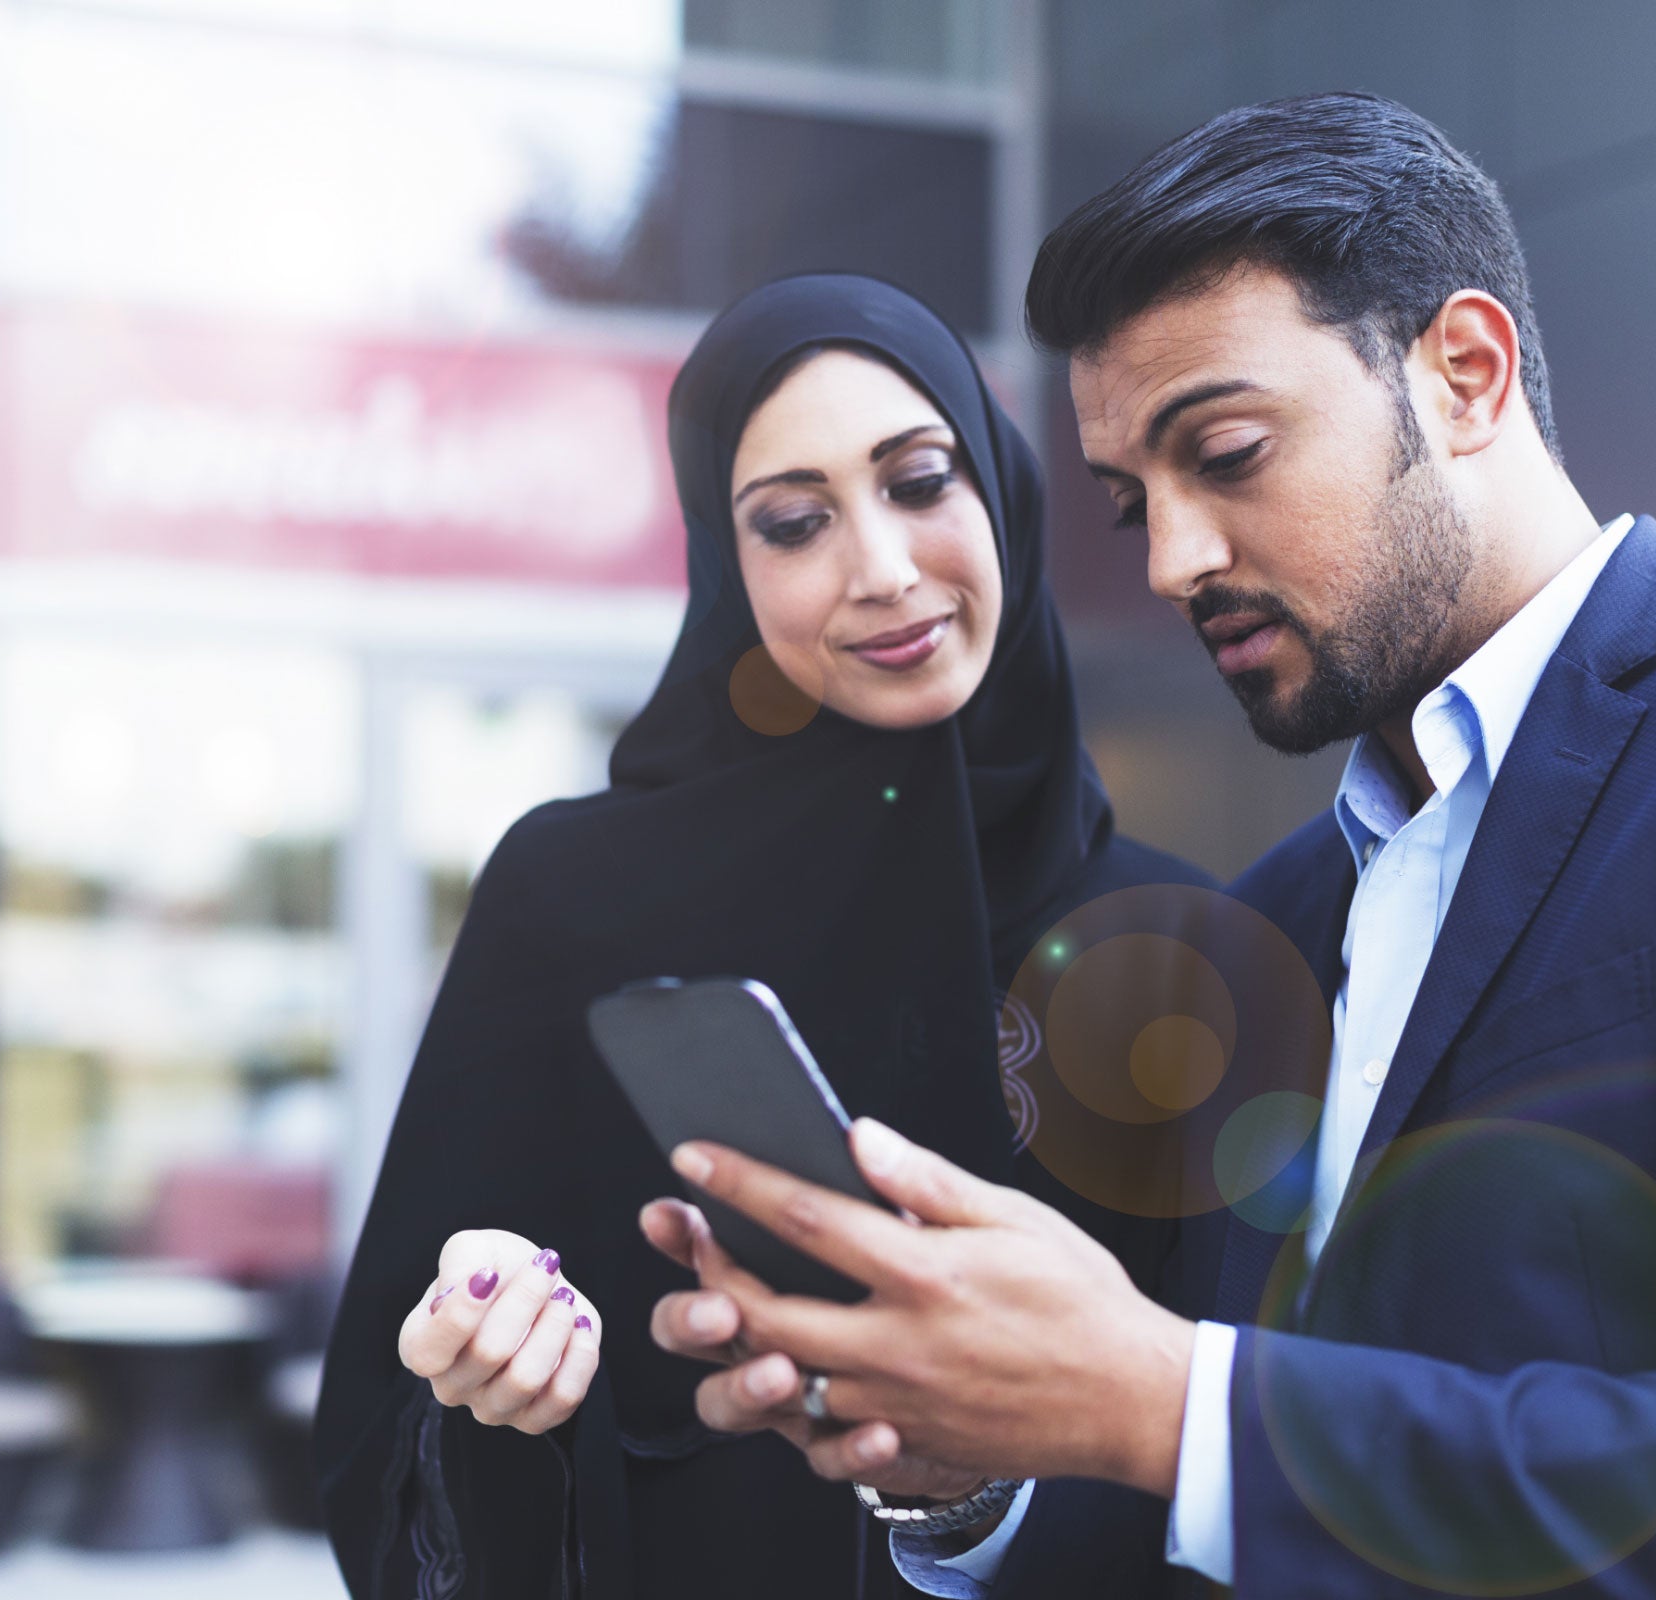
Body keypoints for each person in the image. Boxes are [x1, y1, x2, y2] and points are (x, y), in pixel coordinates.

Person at [645, 93, 1656, 1598]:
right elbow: (1278, 1514)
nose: (1173, 561)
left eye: (1228, 451)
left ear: (1464, 372)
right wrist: (980, 1478)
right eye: (1132, 499)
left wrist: (1165, 1397)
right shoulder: (1267, 922)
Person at [313, 272, 1215, 1600]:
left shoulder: (1176, 944)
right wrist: (493, 1374)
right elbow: (390, 1460)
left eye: (920, 482)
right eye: (793, 523)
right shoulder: (574, 897)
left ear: (1002, 497)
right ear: (725, 571)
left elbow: (1239, 1473)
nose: (884, 569)